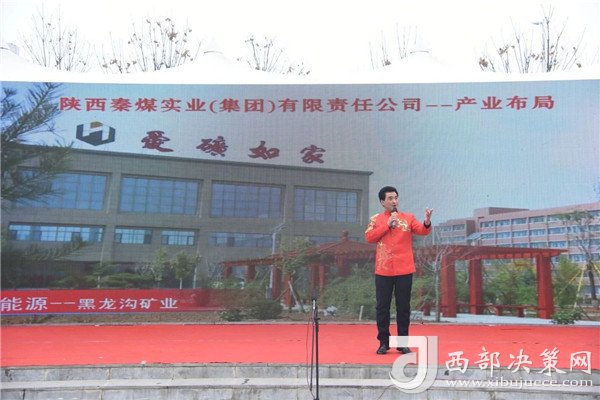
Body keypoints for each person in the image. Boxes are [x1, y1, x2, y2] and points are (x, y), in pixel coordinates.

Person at [365, 186, 433, 355]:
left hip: (404, 268)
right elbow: (369, 237)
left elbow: (422, 230)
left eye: (396, 198)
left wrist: (426, 221)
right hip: (383, 269)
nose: (394, 201)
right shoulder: (376, 219)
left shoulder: (408, 218)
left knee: (403, 307)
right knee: (382, 307)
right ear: (382, 202)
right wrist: (387, 225)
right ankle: (384, 342)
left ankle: (403, 343)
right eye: (390, 198)